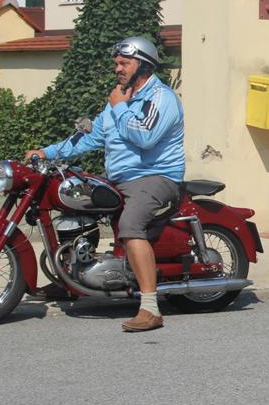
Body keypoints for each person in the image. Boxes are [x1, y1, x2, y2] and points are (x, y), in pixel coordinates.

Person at [26, 37, 184, 332]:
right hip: (119, 179)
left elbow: (145, 137)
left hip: (154, 177)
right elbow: (90, 138)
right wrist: (46, 152)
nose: (118, 69)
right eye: (117, 64)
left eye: (124, 63)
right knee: (74, 205)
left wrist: (121, 108)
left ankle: (150, 308)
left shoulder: (161, 98)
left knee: (131, 225)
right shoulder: (118, 99)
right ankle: (72, 278)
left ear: (144, 66)